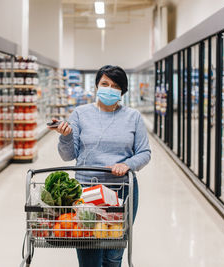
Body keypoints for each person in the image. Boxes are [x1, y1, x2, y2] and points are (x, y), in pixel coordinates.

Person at [48, 65, 151, 267]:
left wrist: (127, 164)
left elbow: (145, 153)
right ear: (96, 86)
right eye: (105, 84)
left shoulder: (133, 117)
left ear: (122, 91)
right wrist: (66, 136)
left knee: (113, 255)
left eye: (115, 86)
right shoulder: (80, 114)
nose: (109, 89)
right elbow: (67, 156)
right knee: (88, 253)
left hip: (121, 191)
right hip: (86, 193)